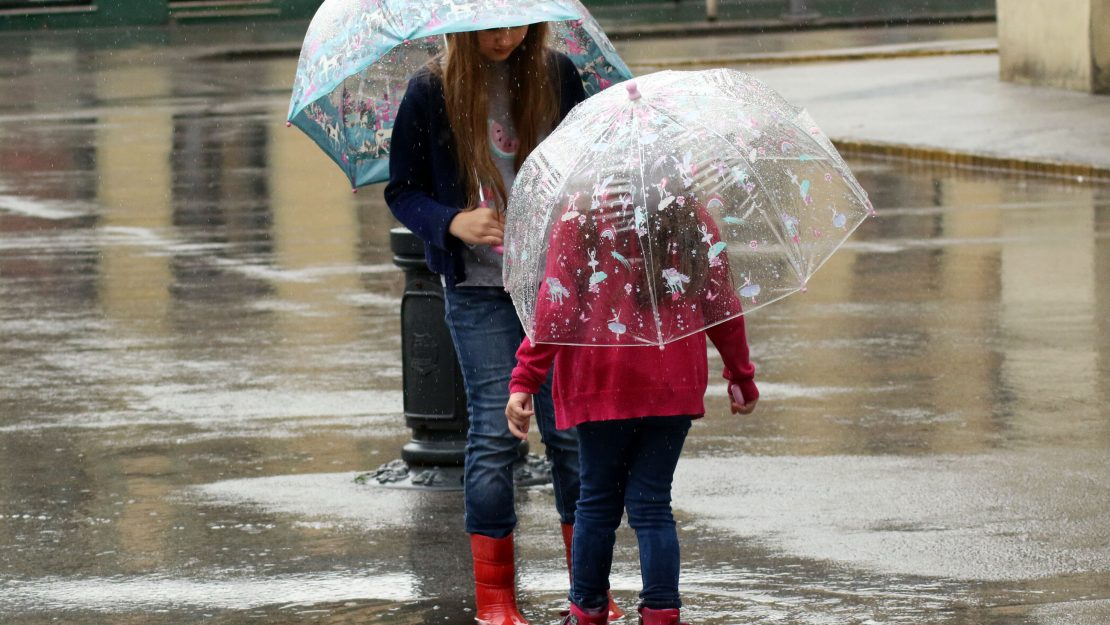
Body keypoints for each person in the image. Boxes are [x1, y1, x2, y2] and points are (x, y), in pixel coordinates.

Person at [384, 23, 621, 625]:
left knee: (569, 432)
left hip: (559, 286)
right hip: (479, 290)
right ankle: (495, 599)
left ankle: (587, 589)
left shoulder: (558, 76)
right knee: (494, 436)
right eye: (490, 26)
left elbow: (595, 165)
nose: (503, 36)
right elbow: (403, 190)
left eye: (516, 23)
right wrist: (451, 222)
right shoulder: (429, 90)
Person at [505, 186, 760, 625]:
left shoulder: (579, 216)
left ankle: (587, 609)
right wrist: (740, 375)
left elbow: (556, 307)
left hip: (600, 379)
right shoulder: (689, 214)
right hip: (671, 383)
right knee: (652, 503)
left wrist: (525, 378)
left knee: (598, 501)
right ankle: (661, 611)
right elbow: (720, 302)